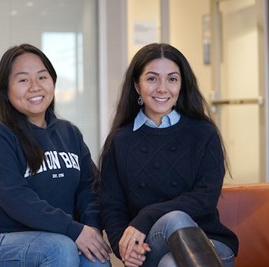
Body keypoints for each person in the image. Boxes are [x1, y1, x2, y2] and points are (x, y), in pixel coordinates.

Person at [0, 43, 111, 267]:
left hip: (56, 239)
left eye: (42, 77)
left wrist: (90, 228)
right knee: (59, 248)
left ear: (53, 82)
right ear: (5, 89)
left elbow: (89, 187)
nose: (35, 87)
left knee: (95, 259)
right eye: (23, 80)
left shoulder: (69, 133)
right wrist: (74, 230)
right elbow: (17, 200)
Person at [98, 43, 239, 267]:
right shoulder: (120, 141)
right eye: (152, 79)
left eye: (172, 79)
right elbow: (111, 206)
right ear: (137, 85)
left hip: (210, 243)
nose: (162, 88)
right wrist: (122, 248)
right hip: (149, 246)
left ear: (182, 86)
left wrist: (146, 216)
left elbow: (205, 197)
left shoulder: (203, 133)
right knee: (173, 223)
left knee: (171, 261)